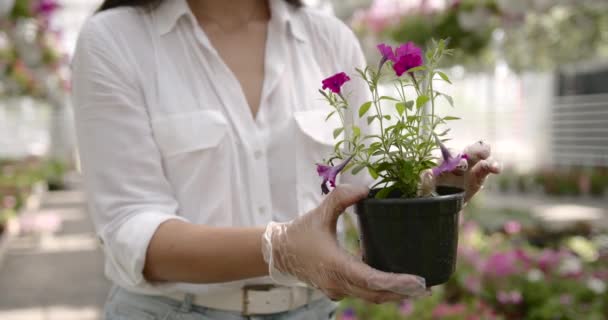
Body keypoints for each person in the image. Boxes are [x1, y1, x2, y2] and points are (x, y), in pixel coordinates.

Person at [70, 0, 500, 319]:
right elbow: (131, 229)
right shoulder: (115, 39)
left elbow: (361, 186)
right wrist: (278, 249)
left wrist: (425, 188)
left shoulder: (328, 39)